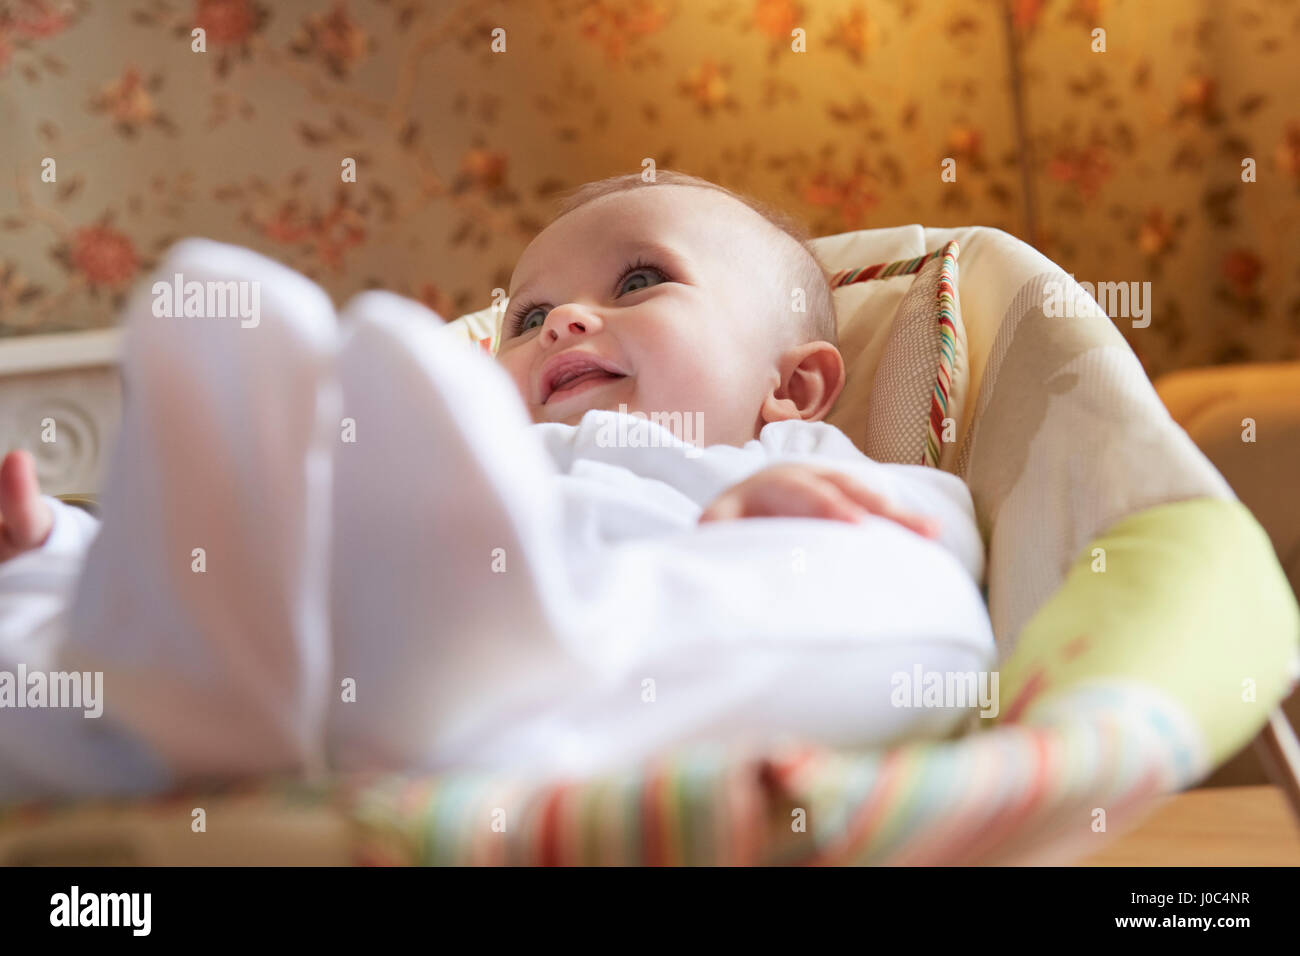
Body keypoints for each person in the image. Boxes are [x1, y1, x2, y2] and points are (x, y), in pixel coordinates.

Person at [0, 172, 993, 800]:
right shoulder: (451, 455)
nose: (563, 321)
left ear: (792, 385)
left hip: (614, 643)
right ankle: (179, 680)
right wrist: (50, 546)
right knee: (56, 638)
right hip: (369, 622)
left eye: (639, 282)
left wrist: (771, 510)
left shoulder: (786, 458)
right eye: (527, 317)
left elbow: (939, 532)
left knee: (910, 600)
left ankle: (435, 684)